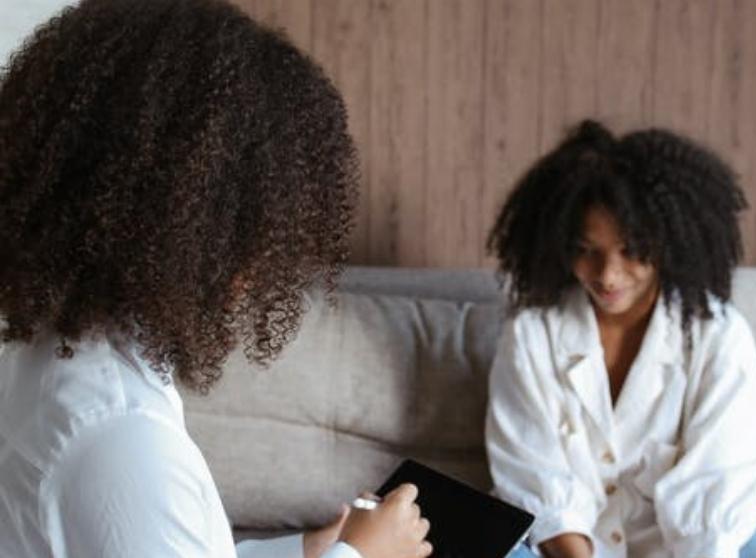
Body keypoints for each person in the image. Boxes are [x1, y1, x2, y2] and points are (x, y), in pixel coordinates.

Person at [0, 1, 432, 557]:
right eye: (255, 232)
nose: (260, 268)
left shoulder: (44, 355)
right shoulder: (121, 442)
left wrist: (309, 548)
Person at [485, 120, 756, 558]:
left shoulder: (719, 335)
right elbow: (535, 479)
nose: (607, 275)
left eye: (631, 249)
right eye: (586, 249)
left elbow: (718, 489)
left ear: (668, 241)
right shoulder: (531, 336)